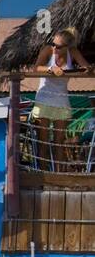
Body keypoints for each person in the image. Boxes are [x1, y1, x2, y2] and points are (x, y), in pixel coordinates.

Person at [30, 27, 91, 172]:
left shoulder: (73, 52)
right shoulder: (47, 50)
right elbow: (36, 68)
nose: (54, 48)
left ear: (67, 47)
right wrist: (51, 69)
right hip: (44, 99)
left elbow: (86, 66)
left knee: (59, 142)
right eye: (53, 44)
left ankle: (57, 176)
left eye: (58, 46)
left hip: (61, 101)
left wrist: (86, 69)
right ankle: (41, 176)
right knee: (43, 142)